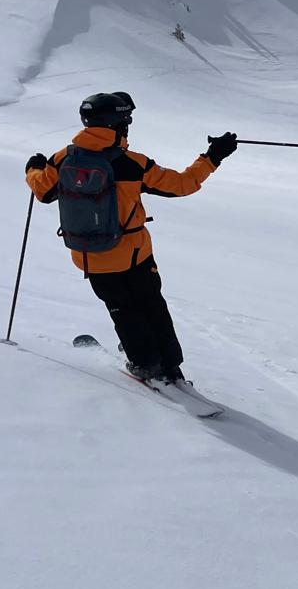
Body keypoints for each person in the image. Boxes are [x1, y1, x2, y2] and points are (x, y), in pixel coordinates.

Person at [25, 91, 236, 384]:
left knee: (122, 309)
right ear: (118, 124)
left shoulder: (62, 159)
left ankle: (144, 362)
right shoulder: (133, 164)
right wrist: (213, 157)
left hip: (92, 256)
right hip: (136, 254)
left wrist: (33, 168)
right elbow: (183, 185)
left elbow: (42, 191)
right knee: (152, 305)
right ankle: (169, 365)